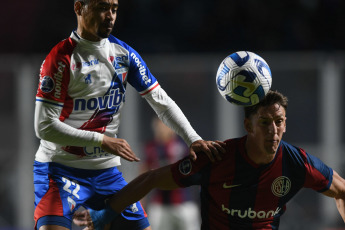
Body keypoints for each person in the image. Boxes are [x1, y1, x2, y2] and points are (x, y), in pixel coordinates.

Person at [33, 0, 225, 229]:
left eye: (114, 9)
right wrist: (101, 140)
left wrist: (193, 139)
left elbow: (161, 102)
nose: (110, 15)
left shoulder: (124, 54)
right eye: (102, 7)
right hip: (59, 170)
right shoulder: (61, 59)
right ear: (79, 7)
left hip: (106, 173)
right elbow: (44, 126)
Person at [73, 90, 345, 229]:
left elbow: (341, 190)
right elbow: (153, 177)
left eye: (279, 121)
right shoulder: (217, 158)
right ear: (248, 126)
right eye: (264, 122)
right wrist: (107, 212)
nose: (273, 130)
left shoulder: (297, 163)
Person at [132, 117, 200, 230]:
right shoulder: (150, 147)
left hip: (184, 202)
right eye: (159, 126)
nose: (161, 129)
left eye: (164, 126)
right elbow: (143, 173)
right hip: (159, 203)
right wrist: (140, 201)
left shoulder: (184, 146)